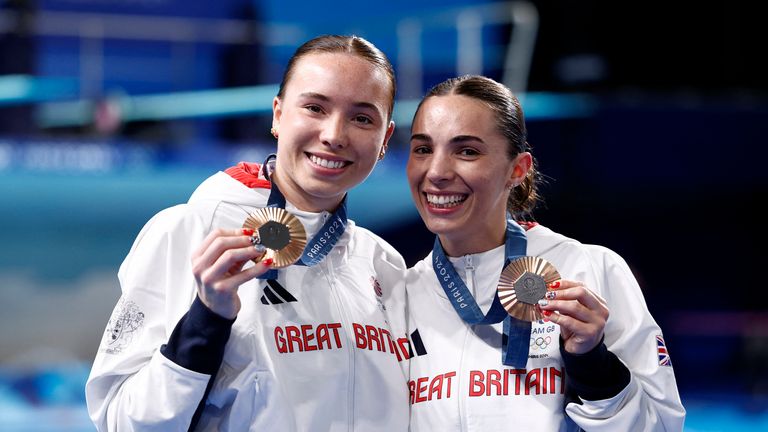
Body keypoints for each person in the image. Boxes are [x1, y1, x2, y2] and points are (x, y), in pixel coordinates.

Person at [86, 35, 410, 431]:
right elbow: (120, 419)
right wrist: (205, 321)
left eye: (362, 118)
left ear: (385, 140)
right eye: (314, 107)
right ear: (277, 115)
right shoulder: (189, 230)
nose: (334, 134)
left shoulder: (384, 264)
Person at [404, 75, 686, 431]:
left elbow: (661, 427)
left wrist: (593, 366)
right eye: (423, 149)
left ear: (517, 170)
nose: (437, 172)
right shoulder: (401, 293)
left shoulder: (590, 269)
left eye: (467, 151)